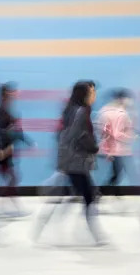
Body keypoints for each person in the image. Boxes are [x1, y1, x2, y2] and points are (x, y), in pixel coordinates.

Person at [36, 80, 106, 245]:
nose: (94, 95)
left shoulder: (72, 109)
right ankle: (93, 234)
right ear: (84, 94)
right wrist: (95, 148)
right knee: (88, 197)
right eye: (92, 92)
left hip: (71, 161)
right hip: (76, 162)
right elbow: (78, 136)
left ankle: (43, 225)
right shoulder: (81, 111)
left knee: (70, 196)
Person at [0, 83, 33, 216]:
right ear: (4, 95)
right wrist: (3, 150)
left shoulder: (5, 110)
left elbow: (15, 132)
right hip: (2, 153)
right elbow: (3, 133)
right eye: (10, 93)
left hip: (4, 153)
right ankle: (8, 206)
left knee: (3, 178)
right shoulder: (2, 112)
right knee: (12, 178)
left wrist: (25, 140)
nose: (13, 95)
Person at [97, 89, 136, 205]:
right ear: (122, 99)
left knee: (117, 173)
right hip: (117, 149)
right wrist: (131, 138)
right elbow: (116, 133)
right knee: (120, 172)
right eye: (128, 99)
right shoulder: (118, 112)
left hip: (116, 149)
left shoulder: (108, 110)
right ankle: (101, 192)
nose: (130, 101)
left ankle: (108, 191)